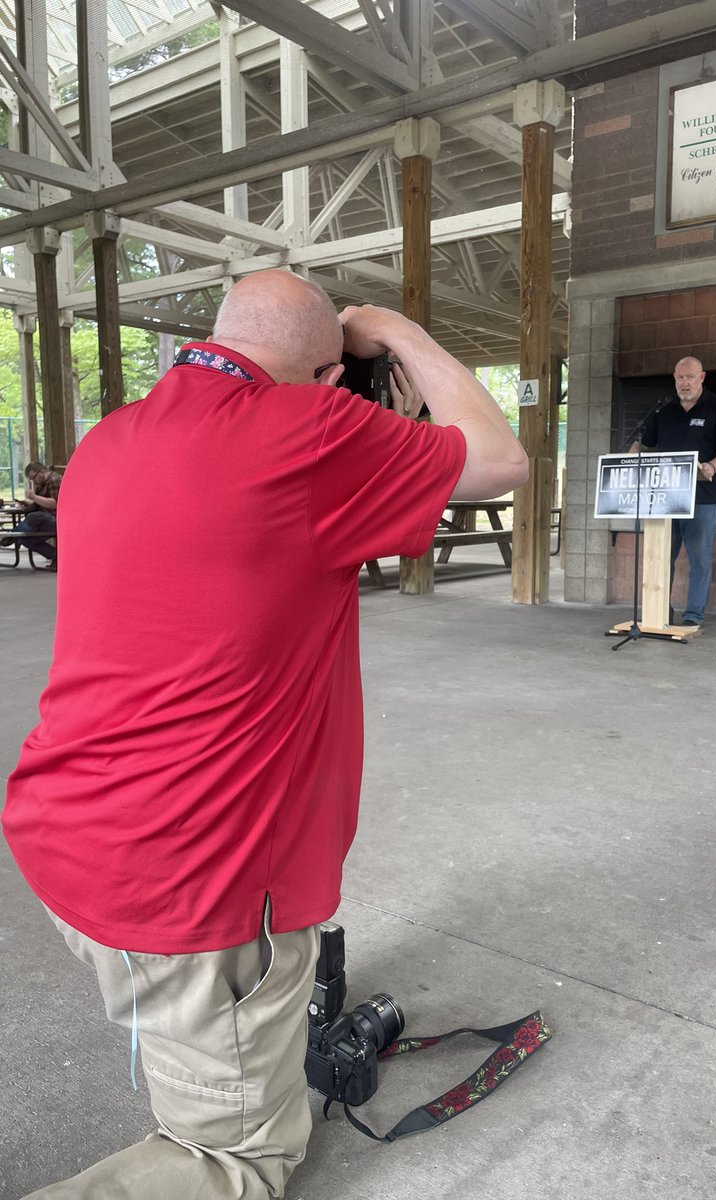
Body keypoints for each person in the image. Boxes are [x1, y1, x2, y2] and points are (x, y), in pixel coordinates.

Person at [3, 269, 529, 1200]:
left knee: (198, 1021)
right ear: (326, 373)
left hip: (66, 832)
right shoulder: (307, 430)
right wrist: (395, 329)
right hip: (194, 886)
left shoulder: (112, 439)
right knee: (233, 1158)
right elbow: (500, 461)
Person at [631, 356, 716, 626]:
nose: (685, 382)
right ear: (674, 378)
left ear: (702, 377)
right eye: (680, 378)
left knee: (699, 559)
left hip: (702, 497)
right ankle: (659, 612)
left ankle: (693, 616)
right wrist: (632, 460)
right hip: (665, 498)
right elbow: (641, 444)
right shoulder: (664, 410)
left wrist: (712, 467)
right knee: (661, 556)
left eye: (690, 377)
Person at [0, 460, 60, 569]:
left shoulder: (54, 480)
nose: (34, 482)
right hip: (43, 519)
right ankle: (57, 557)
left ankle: (10, 536)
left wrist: (35, 498)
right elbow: (38, 505)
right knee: (25, 539)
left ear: (41, 472)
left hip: (58, 520)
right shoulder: (41, 486)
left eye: (34, 478)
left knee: (35, 516)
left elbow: (56, 503)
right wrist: (27, 506)